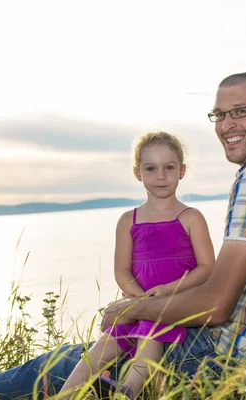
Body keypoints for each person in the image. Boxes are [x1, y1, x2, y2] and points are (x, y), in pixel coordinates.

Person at [0, 72, 246, 399]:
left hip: (229, 357)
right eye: (219, 115)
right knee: (96, 351)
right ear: (139, 173)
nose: (226, 125)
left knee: (63, 361)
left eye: (241, 112)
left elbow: (216, 304)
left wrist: (134, 309)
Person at [58, 131, 216, 399]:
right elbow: (121, 270)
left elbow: (206, 267)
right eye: (151, 168)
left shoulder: (191, 217)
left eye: (169, 167)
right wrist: (139, 298)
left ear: (182, 170)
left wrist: (167, 291)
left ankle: (126, 392)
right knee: (100, 348)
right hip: (138, 303)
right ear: (137, 173)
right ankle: (64, 395)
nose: (161, 175)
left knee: (149, 337)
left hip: (176, 304)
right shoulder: (128, 220)